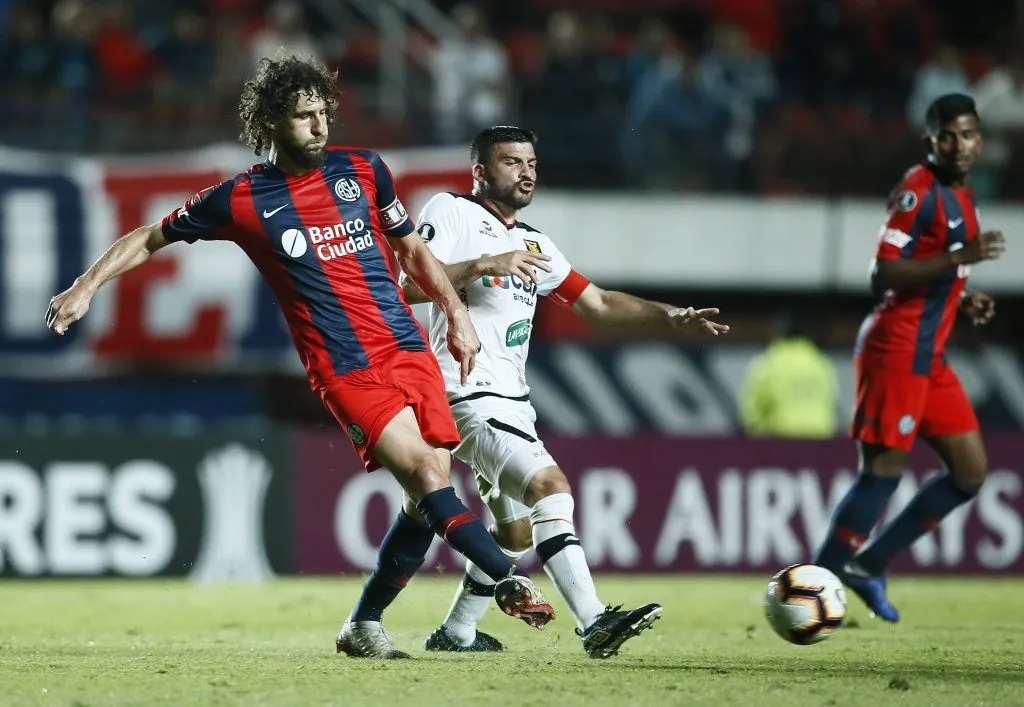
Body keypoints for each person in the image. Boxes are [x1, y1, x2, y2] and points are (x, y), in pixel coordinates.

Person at [44, 54, 554, 658]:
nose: (318, 127)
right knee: (423, 471)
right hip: (344, 365)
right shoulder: (240, 199)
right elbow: (150, 237)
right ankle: (509, 577)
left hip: (408, 348)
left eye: (323, 114)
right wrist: (85, 285)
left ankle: (363, 625)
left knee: (430, 487)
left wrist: (459, 317)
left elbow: (414, 254)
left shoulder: (364, 170)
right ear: (270, 125)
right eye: (302, 117)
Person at [401, 125, 730, 658]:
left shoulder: (536, 243)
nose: (526, 171)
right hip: (467, 393)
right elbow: (409, 285)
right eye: (511, 162)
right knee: (550, 488)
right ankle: (594, 622)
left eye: (531, 161)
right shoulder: (451, 211)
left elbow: (596, 303)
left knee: (514, 536)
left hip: (512, 400)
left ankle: (456, 633)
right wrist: (485, 263)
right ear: (480, 171)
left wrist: (670, 316)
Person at [813, 94, 1006, 622]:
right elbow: (884, 274)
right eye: (948, 135)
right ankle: (815, 589)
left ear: (980, 140)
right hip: (896, 348)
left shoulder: (963, 194)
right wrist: (960, 259)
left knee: (969, 473)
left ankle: (869, 564)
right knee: (882, 471)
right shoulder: (918, 190)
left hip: (930, 355)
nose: (958, 145)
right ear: (930, 140)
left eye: (967, 135)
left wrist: (965, 297)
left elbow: (934, 270)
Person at [740, 310, 839, 439]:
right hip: (821, 440)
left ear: (777, 334)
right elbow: (831, 400)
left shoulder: (767, 364)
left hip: (783, 441)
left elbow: (752, 416)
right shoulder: (821, 363)